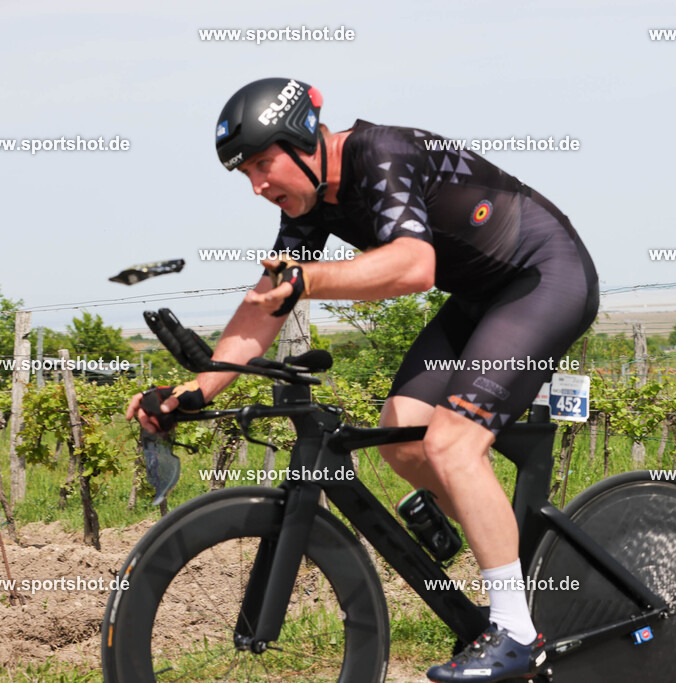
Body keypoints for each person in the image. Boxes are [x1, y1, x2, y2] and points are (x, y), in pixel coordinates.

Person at [126, 77, 598, 682]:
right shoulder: (308, 203)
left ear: (305, 141)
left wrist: (310, 279)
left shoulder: (380, 154)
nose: (259, 186)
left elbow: (415, 265)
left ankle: (515, 631)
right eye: (246, 175)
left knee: (453, 443)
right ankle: (503, 556)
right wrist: (197, 388)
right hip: (482, 296)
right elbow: (269, 299)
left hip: (544, 278)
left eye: (265, 164)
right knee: (402, 431)